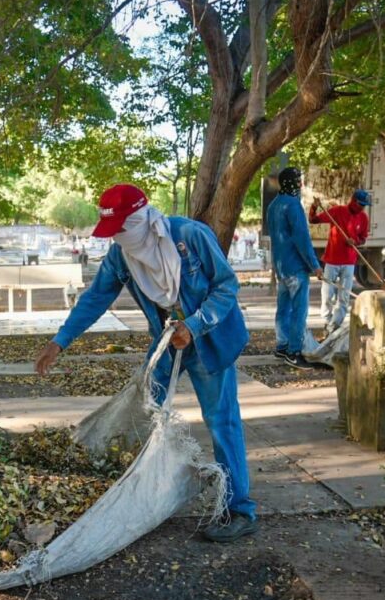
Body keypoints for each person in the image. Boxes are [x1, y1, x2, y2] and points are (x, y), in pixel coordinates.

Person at [34, 184, 257, 543]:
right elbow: (95, 299)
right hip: (167, 341)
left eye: (122, 229)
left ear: (140, 220)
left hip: (210, 337)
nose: (119, 239)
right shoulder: (122, 256)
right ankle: (140, 487)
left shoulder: (189, 236)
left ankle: (240, 509)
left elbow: (227, 287)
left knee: (221, 421)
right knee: (145, 405)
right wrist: (59, 342)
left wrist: (195, 325)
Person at [266, 167, 323, 369]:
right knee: (299, 311)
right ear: (292, 182)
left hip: (281, 267)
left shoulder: (273, 205)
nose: (301, 184)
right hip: (296, 267)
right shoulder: (293, 205)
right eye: (299, 180)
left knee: (283, 309)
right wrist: (315, 266)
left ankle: (282, 346)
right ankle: (294, 351)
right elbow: (302, 239)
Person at [309, 189, 371, 333]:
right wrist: (314, 207)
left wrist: (355, 241)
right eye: (361, 204)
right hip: (332, 260)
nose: (362, 208)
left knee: (344, 297)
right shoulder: (337, 211)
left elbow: (363, 238)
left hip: (349, 262)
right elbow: (313, 220)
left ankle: (334, 326)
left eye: (364, 205)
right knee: (327, 294)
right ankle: (327, 320)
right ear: (353, 200)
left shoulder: (363, 218)